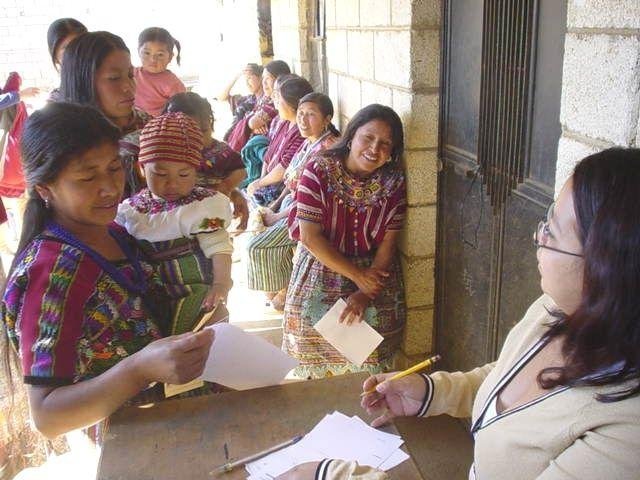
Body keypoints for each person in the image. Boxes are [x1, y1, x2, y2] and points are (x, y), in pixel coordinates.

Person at [335, 148, 640, 479]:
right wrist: (429, 393)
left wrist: (336, 475)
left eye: (551, 232)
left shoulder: (626, 430)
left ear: (605, 265)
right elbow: (507, 378)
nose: (536, 237)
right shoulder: (554, 309)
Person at [0, 102, 214, 441]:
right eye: (87, 177)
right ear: (45, 189)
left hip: (174, 425)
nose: (110, 188)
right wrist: (139, 370)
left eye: (114, 168)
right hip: (131, 446)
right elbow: (46, 416)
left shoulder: (116, 232)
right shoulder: (51, 273)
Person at [283, 104, 407, 379]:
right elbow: (310, 237)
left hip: (374, 269)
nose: (375, 149)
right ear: (351, 136)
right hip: (322, 262)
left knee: (375, 334)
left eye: (386, 143)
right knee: (307, 324)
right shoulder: (317, 170)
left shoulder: (393, 182)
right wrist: (358, 276)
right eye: (368, 138)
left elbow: (389, 243)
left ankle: (366, 398)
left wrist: (365, 292)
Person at [115, 112, 233, 335]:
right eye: (160, 174)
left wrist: (221, 285)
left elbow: (219, 249)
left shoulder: (202, 207)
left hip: (195, 291)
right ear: (142, 168)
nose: (172, 184)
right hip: (151, 293)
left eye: (183, 174)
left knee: (191, 339)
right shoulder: (132, 210)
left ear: (195, 170)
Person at [246, 93, 339, 311]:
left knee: (257, 247)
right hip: (290, 204)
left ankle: (287, 288)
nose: (303, 120)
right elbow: (291, 178)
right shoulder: (309, 141)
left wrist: (278, 215)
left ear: (327, 118)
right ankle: (282, 288)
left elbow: (315, 199)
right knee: (258, 229)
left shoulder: (328, 148)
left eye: (311, 115)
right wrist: (275, 204)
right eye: (300, 114)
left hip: (308, 213)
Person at [60, 31, 151, 197]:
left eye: (130, 75)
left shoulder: (151, 127)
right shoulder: (68, 146)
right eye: (114, 78)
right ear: (84, 83)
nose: (128, 87)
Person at [163, 92, 250, 230]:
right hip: (175, 224)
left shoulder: (220, 151)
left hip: (211, 220)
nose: (198, 139)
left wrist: (228, 186)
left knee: (216, 235)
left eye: (204, 130)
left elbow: (240, 170)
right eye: (188, 132)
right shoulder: (164, 156)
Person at [245, 74, 313, 206]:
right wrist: (261, 180)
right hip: (268, 182)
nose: (275, 104)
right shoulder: (284, 123)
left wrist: (260, 183)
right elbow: (270, 153)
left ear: (292, 105)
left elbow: (285, 168)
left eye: (278, 99)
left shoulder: (302, 132)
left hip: (280, 189)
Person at [227, 59, 290, 154]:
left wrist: (250, 125)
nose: (264, 82)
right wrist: (252, 127)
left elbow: (253, 122)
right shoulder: (265, 99)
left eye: (268, 78)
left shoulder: (276, 102)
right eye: (263, 78)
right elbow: (252, 122)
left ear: (279, 79)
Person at [133, 27, 186, 117]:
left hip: (156, 127)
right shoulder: (131, 74)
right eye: (147, 53)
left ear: (170, 57)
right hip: (130, 123)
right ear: (138, 51)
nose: (153, 59)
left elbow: (181, 112)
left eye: (160, 55)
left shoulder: (173, 83)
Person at [46, 17, 87, 102]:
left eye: (82, 46)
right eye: (68, 49)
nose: (77, 54)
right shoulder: (55, 106)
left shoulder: (105, 88)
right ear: (55, 56)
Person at [219, 63, 264, 141]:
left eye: (249, 78)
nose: (247, 83)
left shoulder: (268, 103)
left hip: (247, 143)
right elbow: (222, 97)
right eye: (245, 79)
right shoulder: (245, 100)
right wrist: (237, 76)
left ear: (260, 78)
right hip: (233, 139)